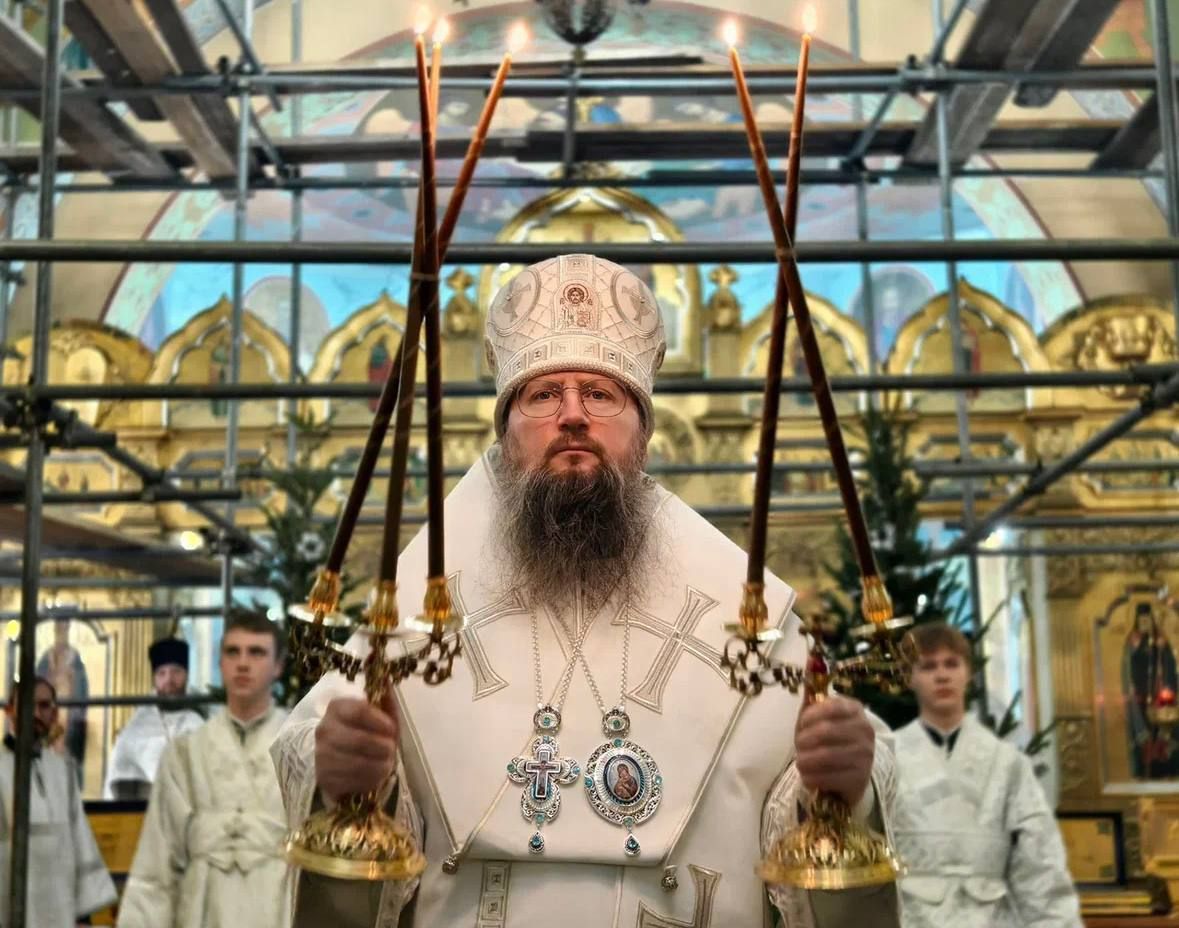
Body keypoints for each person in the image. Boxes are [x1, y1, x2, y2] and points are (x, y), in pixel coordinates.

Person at [272, 254, 898, 927]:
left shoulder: (743, 610)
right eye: (543, 396)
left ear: (644, 433)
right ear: (505, 433)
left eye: (600, 395)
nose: (572, 415)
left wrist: (849, 785)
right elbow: (314, 751)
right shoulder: (422, 602)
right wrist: (343, 772)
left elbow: (831, 784)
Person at [894, 622, 1081, 928]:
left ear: (968, 672)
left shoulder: (1008, 763)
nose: (942, 675)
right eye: (928, 666)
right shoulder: (889, 759)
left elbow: (1040, 863)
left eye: (951, 664)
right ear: (909, 677)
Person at [117, 611, 291, 928]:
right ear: (221, 663)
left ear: (277, 665)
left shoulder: (300, 749)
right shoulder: (185, 753)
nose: (243, 663)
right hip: (202, 908)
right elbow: (157, 864)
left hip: (275, 906)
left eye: (256, 652)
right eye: (233, 652)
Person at [0, 676, 116, 928]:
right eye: (27, 705)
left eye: (44, 706)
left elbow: (80, 839)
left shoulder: (63, 771)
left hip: (60, 902)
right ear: (9, 710)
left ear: (54, 714)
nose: (36, 713)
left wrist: (83, 915)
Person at [103, 636, 205, 799]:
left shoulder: (200, 721)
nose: (169, 680)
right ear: (154, 679)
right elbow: (118, 779)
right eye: (162, 673)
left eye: (176, 672)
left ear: (186, 675)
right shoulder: (138, 727)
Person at [37, 619, 90, 775]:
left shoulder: (74, 657)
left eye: (64, 629)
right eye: (59, 629)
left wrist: (70, 679)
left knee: (66, 753)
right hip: (51, 709)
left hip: (69, 713)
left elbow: (82, 688)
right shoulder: (46, 657)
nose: (61, 633)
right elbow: (38, 683)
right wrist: (52, 677)